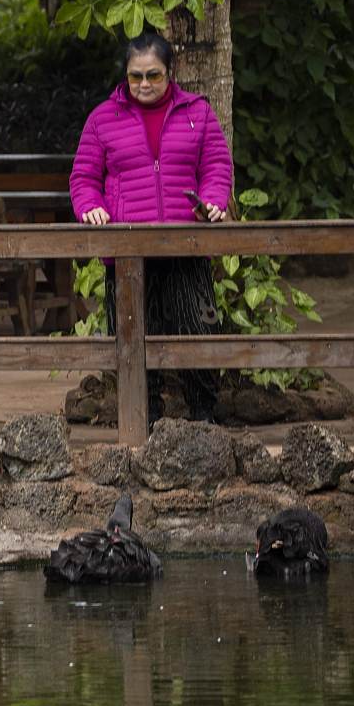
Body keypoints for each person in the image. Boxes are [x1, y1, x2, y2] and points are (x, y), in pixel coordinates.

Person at [70, 32, 233, 425]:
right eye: (135, 76)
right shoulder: (102, 118)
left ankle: (203, 416)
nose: (144, 84)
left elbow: (216, 166)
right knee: (133, 334)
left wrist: (214, 199)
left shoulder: (198, 112)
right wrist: (91, 207)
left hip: (185, 244)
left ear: (170, 73)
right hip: (127, 251)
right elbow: (83, 178)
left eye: (153, 75)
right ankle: (144, 420)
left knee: (197, 327)